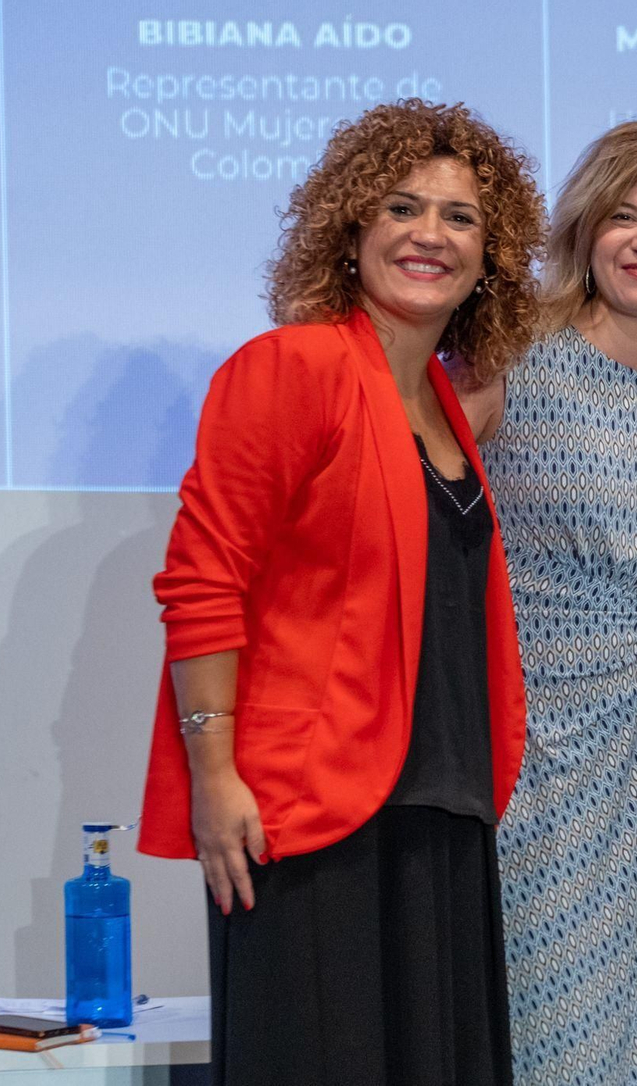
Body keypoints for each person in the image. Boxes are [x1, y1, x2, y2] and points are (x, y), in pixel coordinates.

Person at [136, 100, 546, 1086]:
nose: (428, 235)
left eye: (459, 218)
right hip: (309, 813)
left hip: (438, 815)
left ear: (490, 255)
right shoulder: (293, 366)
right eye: (402, 207)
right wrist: (215, 773)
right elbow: (204, 577)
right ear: (351, 226)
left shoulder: (446, 402)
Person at [461, 118, 637, 1085]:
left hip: (631, 769)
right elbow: (416, 518)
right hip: (517, 763)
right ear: (586, 231)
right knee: (538, 1036)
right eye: (624, 215)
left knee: (621, 1043)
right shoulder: (511, 356)